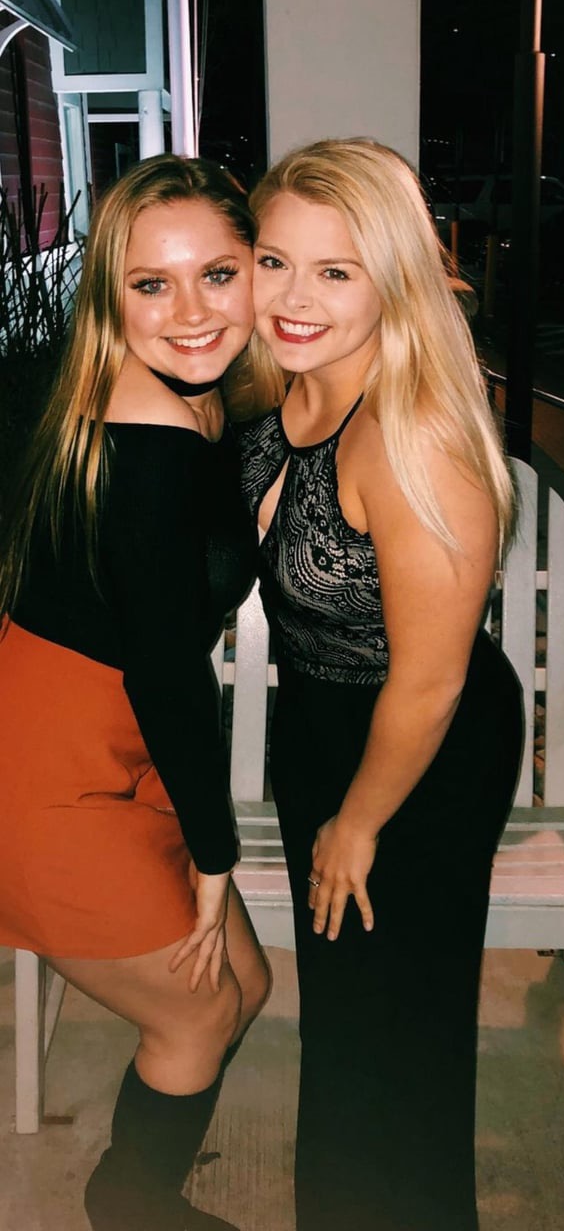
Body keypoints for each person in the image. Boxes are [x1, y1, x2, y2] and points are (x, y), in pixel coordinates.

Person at [234, 138, 524, 1231]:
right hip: (321, 726)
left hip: (421, 753)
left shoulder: (414, 437)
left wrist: (358, 822)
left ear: (393, 280)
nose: (293, 297)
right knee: (344, 1017)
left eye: (335, 270)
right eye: (274, 262)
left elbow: (433, 681)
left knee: (404, 1029)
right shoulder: (281, 385)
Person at [0, 154, 271, 1231]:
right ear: (110, 297)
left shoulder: (188, 399)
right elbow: (166, 669)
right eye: (152, 284)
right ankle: (129, 1202)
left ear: (259, 269)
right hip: (48, 770)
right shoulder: (146, 442)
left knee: (245, 986)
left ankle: (139, 1182)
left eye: (218, 273)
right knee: (198, 1013)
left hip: (112, 741)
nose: (192, 313)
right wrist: (214, 853)